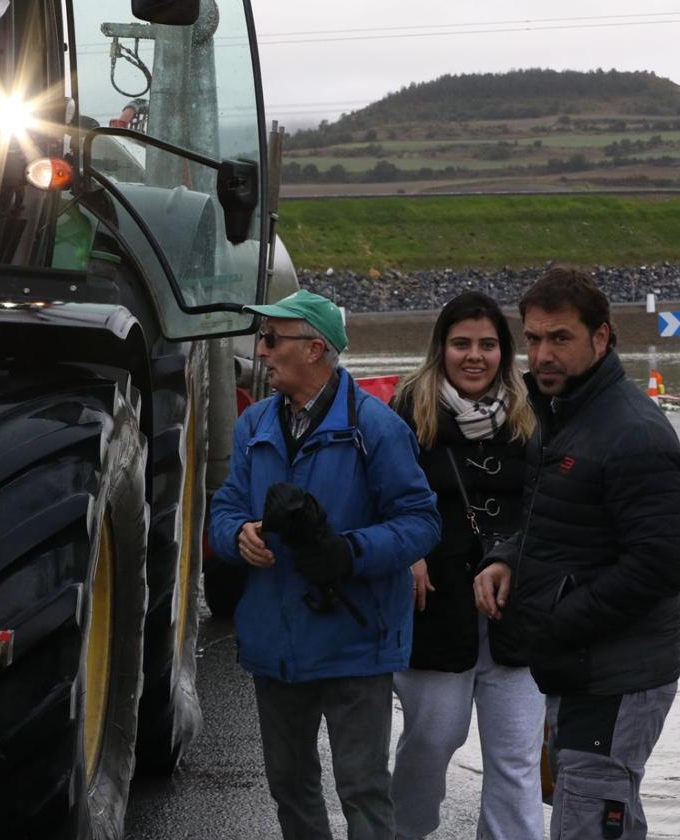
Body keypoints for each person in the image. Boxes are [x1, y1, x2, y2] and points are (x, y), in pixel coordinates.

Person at [209, 289, 442, 840]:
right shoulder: (255, 424)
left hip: (354, 644)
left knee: (362, 789)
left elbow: (421, 522)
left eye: (270, 339)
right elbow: (224, 507)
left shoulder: (377, 428)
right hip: (275, 643)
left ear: (314, 348)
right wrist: (238, 534)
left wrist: (349, 552)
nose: (260, 351)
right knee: (289, 787)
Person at [474, 266, 680, 840]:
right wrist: (507, 557)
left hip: (616, 676)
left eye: (561, 338)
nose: (543, 354)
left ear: (601, 338)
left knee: (586, 824)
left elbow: (660, 565)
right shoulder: (561, 416)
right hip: (577, 667)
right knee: (602, 818)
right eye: (536, 337)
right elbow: (555, 522)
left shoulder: (632, 432)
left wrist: (555, 619)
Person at [388, 291, 543, 839]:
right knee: (432, 741)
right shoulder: (407, 409)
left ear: (504, 350)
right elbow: (379, 496)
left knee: (516, 759)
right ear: (441, 348)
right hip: (435, 610)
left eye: (487, 344)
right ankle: (407, 830)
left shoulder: (535, 409)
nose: (474, 356)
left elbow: (552, 505)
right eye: (461, 344)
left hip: (515, 613)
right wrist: (404, 552)